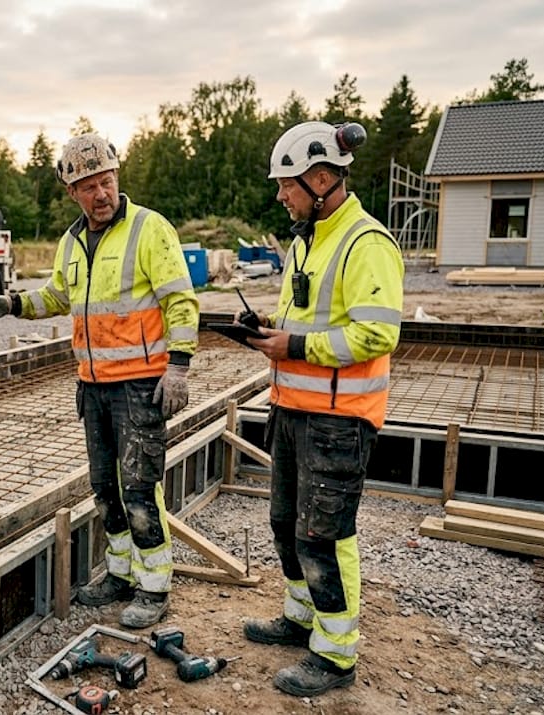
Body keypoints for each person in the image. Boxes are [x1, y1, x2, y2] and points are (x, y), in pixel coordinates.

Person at [0, 133, 199, 628]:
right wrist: (10, 304)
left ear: (118, 177)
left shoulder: (148, 229)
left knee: (139, 486)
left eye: (107, 181)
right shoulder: (72, 241)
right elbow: (57, 297)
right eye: (89, 186)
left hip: (140, 386)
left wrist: (178, 367)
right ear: (71, 191)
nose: (101, 193)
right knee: (104, 486)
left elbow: (181, 301)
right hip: (93, 386)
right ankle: (119, 574)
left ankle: (154, 586)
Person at [239, 121, 404, 697]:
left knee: (324, 536)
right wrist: (269, 332)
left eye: (287, 185)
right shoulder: (309, 238)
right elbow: (310, 321)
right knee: (286, 523)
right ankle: (301, 619)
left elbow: (376, 336)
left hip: (339, 420)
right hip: (294, 409)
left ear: (321, 177)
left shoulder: (366, 242)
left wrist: (294, 346)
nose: (281, 195)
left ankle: (335, 657)